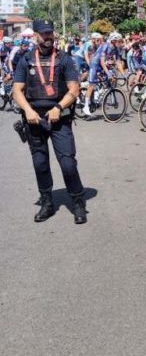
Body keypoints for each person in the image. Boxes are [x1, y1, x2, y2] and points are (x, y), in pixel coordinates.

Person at [12, 19, 87, 224]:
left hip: (59, 118)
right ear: (35, 36)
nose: (48, 37)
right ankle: (47, 202)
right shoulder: (25, 59)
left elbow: (74, 90)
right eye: (43, 34)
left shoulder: (64, 59)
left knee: (68, 164)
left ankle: (78, 201)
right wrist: (27, 110)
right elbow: (16, 91)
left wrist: (58, 107)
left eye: (50, 33)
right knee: (40, 163)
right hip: (34, 120)